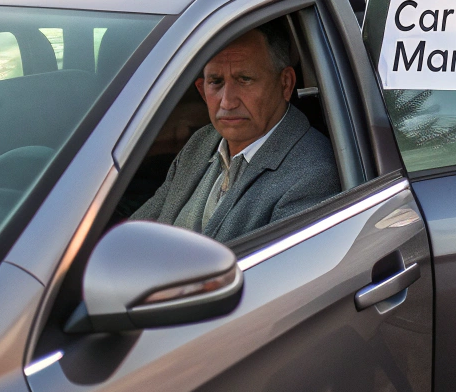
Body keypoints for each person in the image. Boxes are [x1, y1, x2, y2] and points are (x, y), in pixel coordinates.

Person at [132, 22, 338, 244]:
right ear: (202, 90)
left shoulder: (312, 176)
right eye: (216, 82)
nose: (227, 102)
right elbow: (136, 231)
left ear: (285, 84)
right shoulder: (201, 142)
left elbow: (278, 275)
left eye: (245, 80)